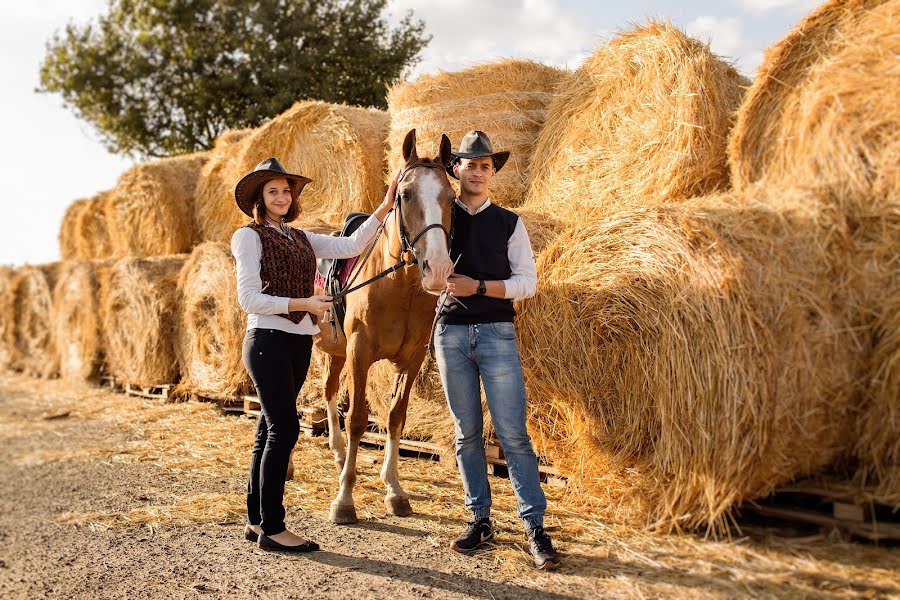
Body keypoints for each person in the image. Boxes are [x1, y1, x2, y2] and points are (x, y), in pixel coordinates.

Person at [231, 157, 393, 552]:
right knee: (285, 430)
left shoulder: (300, 237)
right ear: (259, 198)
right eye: (273, 191)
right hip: (267, 340)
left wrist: (386, 206)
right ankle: (274, 528)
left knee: (267, 431)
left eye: (287, 190)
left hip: (298, 342)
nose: (282, 196)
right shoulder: (248, 237)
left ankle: (256, 521)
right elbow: (248, 298)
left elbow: (352, 244)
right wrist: (304, 301)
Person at [434, 131, 560, 570]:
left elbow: (528, 282)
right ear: (456, 170)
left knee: (513, 435)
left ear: (492, 173)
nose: (478, 171)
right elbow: (427, 276)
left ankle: (534, 527)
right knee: (466, 434)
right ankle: (479, 520)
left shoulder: (509, 222)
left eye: (486, 165)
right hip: (449, 333)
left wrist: (480, 287)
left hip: (495, 333)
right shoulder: (441, 218)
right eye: (470, 164)